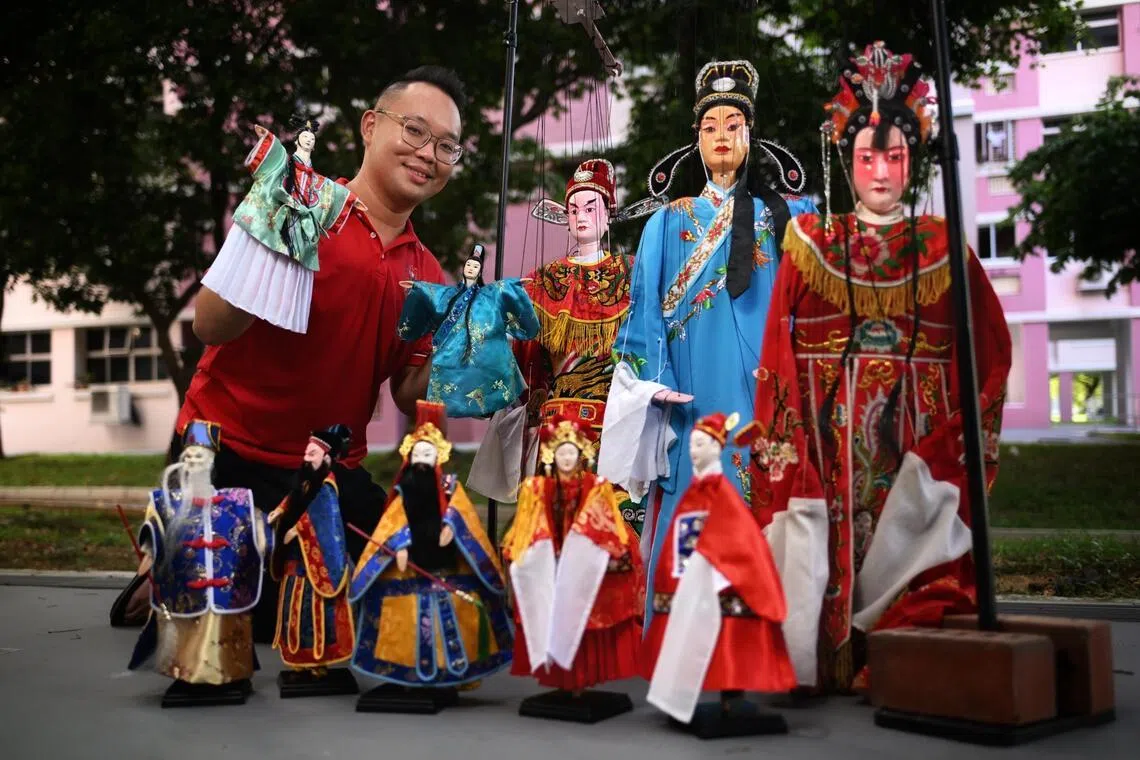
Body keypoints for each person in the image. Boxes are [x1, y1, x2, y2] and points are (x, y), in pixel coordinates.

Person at [112, 65, 469, 643]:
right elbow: (209, 325)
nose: (428, 153)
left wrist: (466, 341)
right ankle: (172, 567)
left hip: (327, 471)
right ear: (370, 127)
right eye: (415, 131)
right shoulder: (300, 207)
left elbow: (410, 393)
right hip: (230, 456)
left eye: (446, 145)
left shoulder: (426, 273)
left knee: (405, 585)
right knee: (256, 619)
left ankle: (196, 573)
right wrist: (268, 252)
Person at [734, 42, 1013, 695]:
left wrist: (963, 439)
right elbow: (779, 344)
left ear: (913, 163)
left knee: (904, 537)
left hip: (918, 433)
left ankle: (896, 656)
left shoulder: (945, 246)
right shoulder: (811, 243)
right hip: (829, 432)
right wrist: (784, 433)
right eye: (867, 158)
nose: (882, 173)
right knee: (830, 533)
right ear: (846, 161)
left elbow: (989, 349)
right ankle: (832, 657)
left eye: (896, 157)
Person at [597, 59, 816, 627]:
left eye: (733, 125)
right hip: (692, 395)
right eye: (710, 126)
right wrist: (652, 385)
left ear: (751, 136)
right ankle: (684, 640)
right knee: (695, 496)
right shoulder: (667, 222)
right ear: (695, 141)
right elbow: (643, 314)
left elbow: (807, 303)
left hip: (765, 390)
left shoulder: (784, 218)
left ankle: (766, 643)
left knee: (764, 491)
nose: (721, 135)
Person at [467, 158, 642, 527]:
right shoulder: (544, 281)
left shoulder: (629, 274)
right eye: (574, 209)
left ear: (609, 213)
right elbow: (520, 350)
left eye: (591, 207)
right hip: (556, 417)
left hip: (613, 419)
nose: (581, 217)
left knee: (611, 524)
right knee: (553, 525)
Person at [641, 411, 795, 729]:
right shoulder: (695, 493)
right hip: (689, 580)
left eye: (700, 444)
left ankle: (732, 694)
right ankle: (703, 692)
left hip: (720, 581)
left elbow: (736, 537)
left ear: (716, 447)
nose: (694, 451)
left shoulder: (721, 494)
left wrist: (716, 563)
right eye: (692, 445)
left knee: (727, 640)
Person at [348, 401, 513, 698]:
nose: (423, 460)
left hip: (445, 566)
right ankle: (402, 670)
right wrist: (399, 545)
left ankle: (450, 672)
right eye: (418, 454)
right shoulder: (403, 491)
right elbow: (392, 523)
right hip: (408, 568)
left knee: (452, 613)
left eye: (428, 454)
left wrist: (453, 524)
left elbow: (463, 514)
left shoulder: (450, 487)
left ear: (439, 457)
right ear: (409, 457)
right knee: (402, 617)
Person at [502, 414, 643, 718]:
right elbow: (525, 527)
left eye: (573, 452)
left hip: (581, 570)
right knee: (549, 616)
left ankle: (581, 681)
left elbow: (609, 526)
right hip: (549, 565)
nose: (567, 458)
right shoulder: (537, 489)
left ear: (582, 455)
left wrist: (589, 549)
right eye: (562, 452)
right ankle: (563, 681)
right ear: (553, 454)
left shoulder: (597, 487)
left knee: (582, 620)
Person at [126, 420, 271, 706]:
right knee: (186, 631)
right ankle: (189, 676)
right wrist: (150, 545)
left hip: (227, 587)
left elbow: (257, 528)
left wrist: (264, 539)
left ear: (212, 461)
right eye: (188, 456)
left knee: (225, 628)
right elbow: (154, 528)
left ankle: (227, 676)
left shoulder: (236, 500)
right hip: (185, 587)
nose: (193, 461)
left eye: (199, 456)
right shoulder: (167, 501)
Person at [201, 113, 360, 334]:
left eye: (312, 139)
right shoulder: (284, 163)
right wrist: (268, 141)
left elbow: (329, 192)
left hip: (296, 227)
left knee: (287, 267)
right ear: (297, 140)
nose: (309, 141)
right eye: (305, 137)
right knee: (258, 259)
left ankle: (277, 306)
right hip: (272, 220)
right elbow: (274, 155)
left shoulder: (316, 179)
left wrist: (350, 201)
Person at [397, 244, 539, 417]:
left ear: (479, 272)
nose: (471, 269)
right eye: (469, 265)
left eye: (475, 267)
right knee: (446, 375)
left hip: (480, 344)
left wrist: (515, 285)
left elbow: (501, 288)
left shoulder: (487, 293)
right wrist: (416, 287)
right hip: (452, 344)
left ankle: (493, 404)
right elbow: (433, 292)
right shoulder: (450, 294)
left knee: (492, 367)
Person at [266, 424, 356, 691]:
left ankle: (317, 662)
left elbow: (322, 518)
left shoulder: (327, 488)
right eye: (307, 452)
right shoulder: (305, 482)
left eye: (313, 453)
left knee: (313, 613)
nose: (307, 457)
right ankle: (298, 660)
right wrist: (280, 512)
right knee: (292, 611)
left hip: (314, 568)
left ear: (326, 459)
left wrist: (298, 529)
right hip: (295, 562)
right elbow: (294, 500)